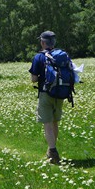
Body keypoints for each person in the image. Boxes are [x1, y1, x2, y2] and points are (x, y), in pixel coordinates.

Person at [29, 31, 63, 165]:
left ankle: (53, 152)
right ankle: (51, 151)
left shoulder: (39, 57)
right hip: (60, 93)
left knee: (47, 124)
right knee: (55, 122)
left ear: (43, 43)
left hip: (46, 93)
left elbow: (33, 79)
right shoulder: (61, 55)